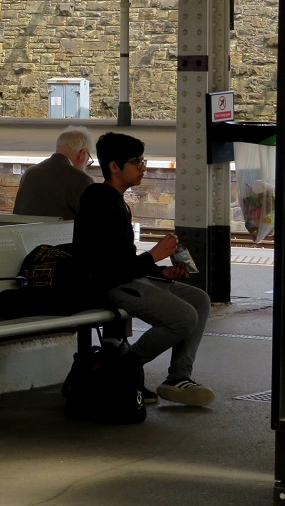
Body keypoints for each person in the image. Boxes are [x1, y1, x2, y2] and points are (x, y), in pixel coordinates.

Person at [73, 132, 214, 407]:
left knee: (199, 300)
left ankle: (178, 377)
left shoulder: (117, 201)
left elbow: (125, 262)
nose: (143, 167)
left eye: (143, 160)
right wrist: (153, 256)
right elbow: (107, 269)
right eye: (136, 161)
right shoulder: (99, 201)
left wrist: (160, 272)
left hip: (125, 278)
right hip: (106, 286)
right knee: (184, 317)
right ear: (114, 166)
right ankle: (123, 367)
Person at [13, 126, 95, 220]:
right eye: (88, 159)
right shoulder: (81, 180)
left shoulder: (30, 173)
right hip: (62, 234)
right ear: (82, 154)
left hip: (24, 233)